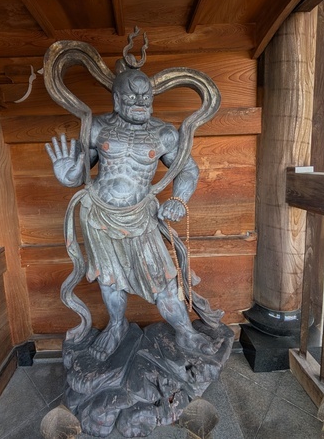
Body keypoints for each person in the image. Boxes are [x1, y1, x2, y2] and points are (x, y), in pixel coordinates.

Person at [46, 68, 220, 361]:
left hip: (140, 217)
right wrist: (67, 175)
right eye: (131, 96)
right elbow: (81, 172)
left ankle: (186, 332)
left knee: (163, 278)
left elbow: (188, 169)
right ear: (116, 99)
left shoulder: (164, 133)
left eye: (145, 96)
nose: (140, 101)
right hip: (99, 215)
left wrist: (178, 199)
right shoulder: (97, 127)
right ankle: (116, 326)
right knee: (109, 279)